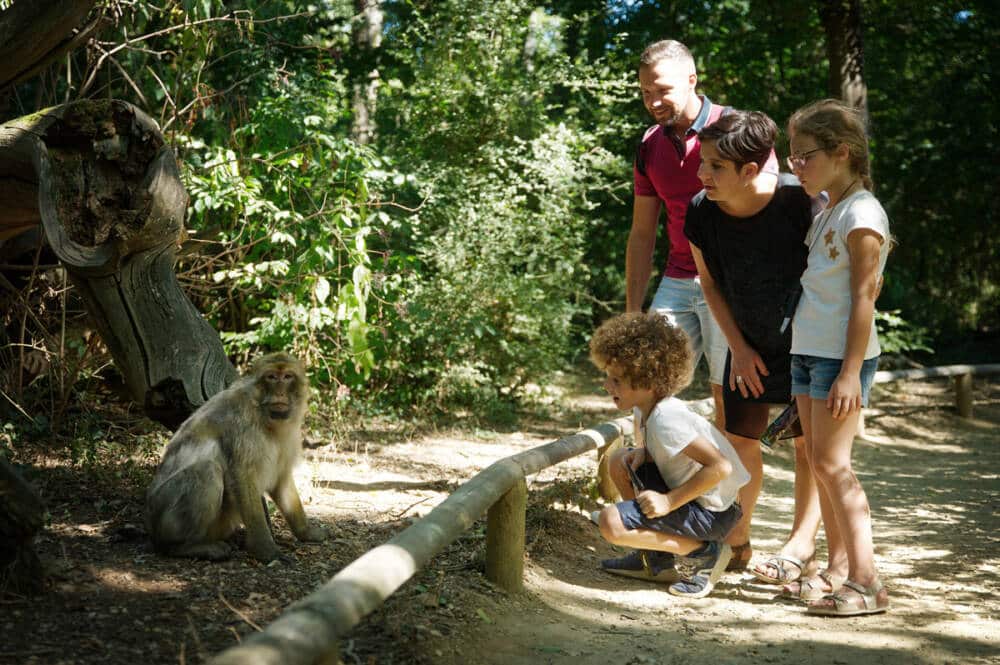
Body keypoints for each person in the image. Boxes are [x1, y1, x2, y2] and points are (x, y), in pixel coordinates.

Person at [683, 110, 824, 585]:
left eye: (714, 167)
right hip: (747, 342)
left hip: (811, 344)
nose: (702, 175)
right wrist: (738, 349)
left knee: (811, 448)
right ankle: (736, 542)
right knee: (739, 440)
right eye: (701, 162)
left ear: (750, 169)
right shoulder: (700, 210)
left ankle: (800, 548)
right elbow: (709, 283)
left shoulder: (804, 202)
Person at [781, 99, 891, 616]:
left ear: (841, 152)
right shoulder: (829, 208)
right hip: (808, 352)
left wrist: (850, 372)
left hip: (836, 361)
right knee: (816, 463)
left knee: (833, 465)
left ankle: (868, 583)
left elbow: (865, 298)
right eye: (793, 156)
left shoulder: (863, 213)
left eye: (804, 156)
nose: (794, 166)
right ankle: (838, 570)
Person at [591, 312, 751, 598]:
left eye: (616, 380)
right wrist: (644, 452)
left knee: (610, 523)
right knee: (619, 460)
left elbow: (721, 467)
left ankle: (703, 553)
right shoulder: (646, 408)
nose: (607, 386)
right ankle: (656, 558)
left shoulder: (667, 419)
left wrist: (668, 501)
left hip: (716, 513)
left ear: (647, 381)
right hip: (701, 502)